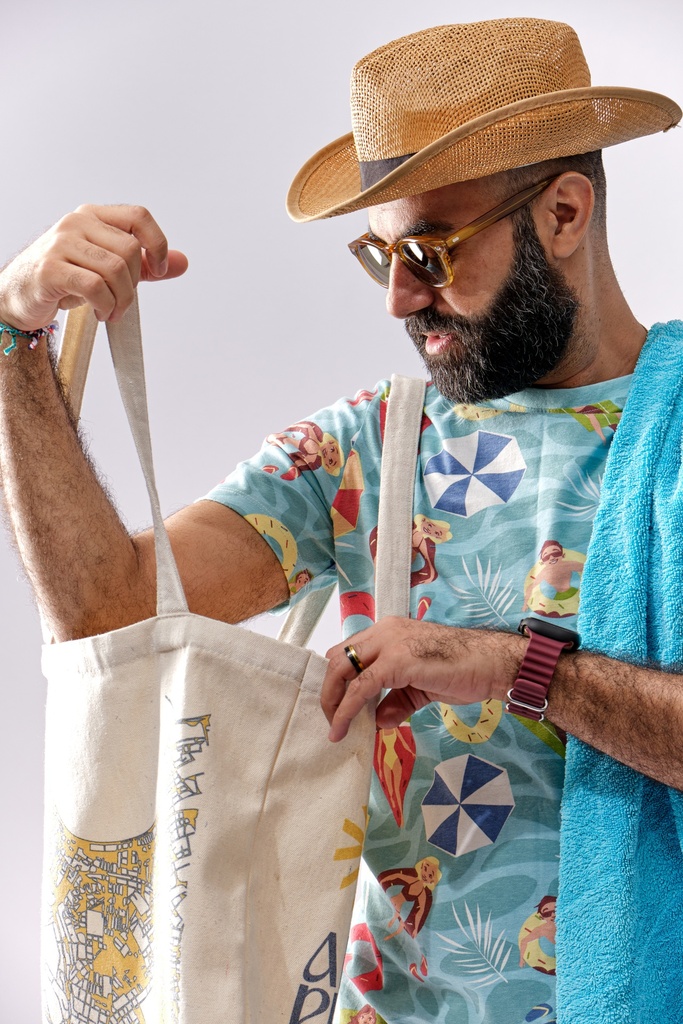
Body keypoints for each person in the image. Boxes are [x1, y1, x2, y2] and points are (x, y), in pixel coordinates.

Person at [0, 16, 681, 1024]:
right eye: (379, 257)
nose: (400, 296)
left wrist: (507, 665)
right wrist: (16, 339)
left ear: (565, 212)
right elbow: (107, 618)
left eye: (429, 251)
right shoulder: (366, 447)